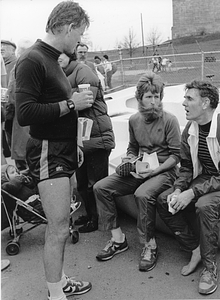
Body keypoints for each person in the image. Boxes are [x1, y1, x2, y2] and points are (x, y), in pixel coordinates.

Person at [15, 2, 93, 299]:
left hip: (62, 149)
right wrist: (72, 103)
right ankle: (55, 294)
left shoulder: (52, 58)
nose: (80, 41)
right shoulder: (33, 59)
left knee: (63, 222)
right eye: (80, 33)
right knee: (58, 227)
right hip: (47, 151)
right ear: (68, 27)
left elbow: (54, 109)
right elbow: (25, 113)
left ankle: (59, 283)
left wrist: (74, 144)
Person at [93, 72, 181, 271]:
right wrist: (128, 160)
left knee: (142, 194)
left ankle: (149, 245)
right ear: (139, 98)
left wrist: (156, 170)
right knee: (101, 187)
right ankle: (118, 240)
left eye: (157, 96)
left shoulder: (170, 120)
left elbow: (177, 156)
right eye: (148, 96)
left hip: (165, 171)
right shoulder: (134, 120)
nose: (153, 101)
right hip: (141, 168)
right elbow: (133, 147)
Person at [157, 80, 220, 295]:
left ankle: (210, 268)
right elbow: (186, 166)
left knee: (205, 204)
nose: (184, 103)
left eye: (189, 98)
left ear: (206, 102)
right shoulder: (191, 127)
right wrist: (180, 189)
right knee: (165, 199)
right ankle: (195, 249)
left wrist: (193, 192)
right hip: (209, 179)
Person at [58, 53, 115, 233]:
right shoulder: (62, 75)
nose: (57, 58)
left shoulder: (83, 70)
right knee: (82, 182)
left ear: (69, 55)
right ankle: (91, 214)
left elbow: (86, 101)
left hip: (97, 136)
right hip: (81, 139)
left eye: (61, 55)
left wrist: (60, 98)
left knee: (96, 183)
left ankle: (99, 219)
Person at [6, 39, 34, 171]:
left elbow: (12, 95)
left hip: (22, 117)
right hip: (29, 117)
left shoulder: (19, 67)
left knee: (23, 161)